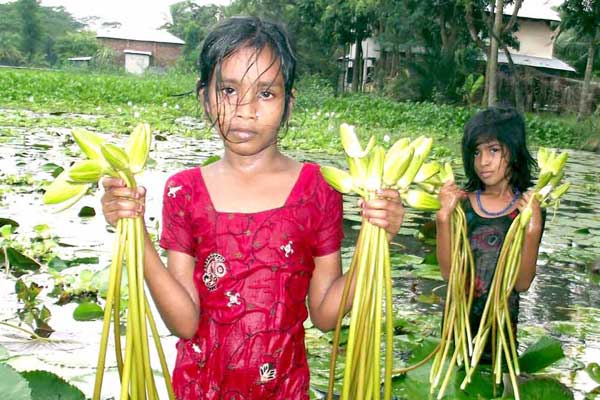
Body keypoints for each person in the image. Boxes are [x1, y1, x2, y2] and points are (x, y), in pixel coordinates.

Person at [101, 16, 405, 400]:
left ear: (288, 103)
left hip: (285, 389)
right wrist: (134, 231)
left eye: (266, 93)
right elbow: (183, 322)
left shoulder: (318, 188)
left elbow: (327, 315)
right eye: (228, 90)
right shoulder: (185, 190)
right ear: (205, 98)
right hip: (199, 389)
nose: (245, 110)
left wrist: (375, 239)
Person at [436, 106, 545, 362]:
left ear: (515, 152)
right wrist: (443, 218)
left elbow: (522, 283)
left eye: (493, 150)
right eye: (476, 152)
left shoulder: (526, 211)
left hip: (500, 335)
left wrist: (533, 228)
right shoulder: (462, 205)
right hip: (456, 331)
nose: (483, 162)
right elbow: (448, 273)